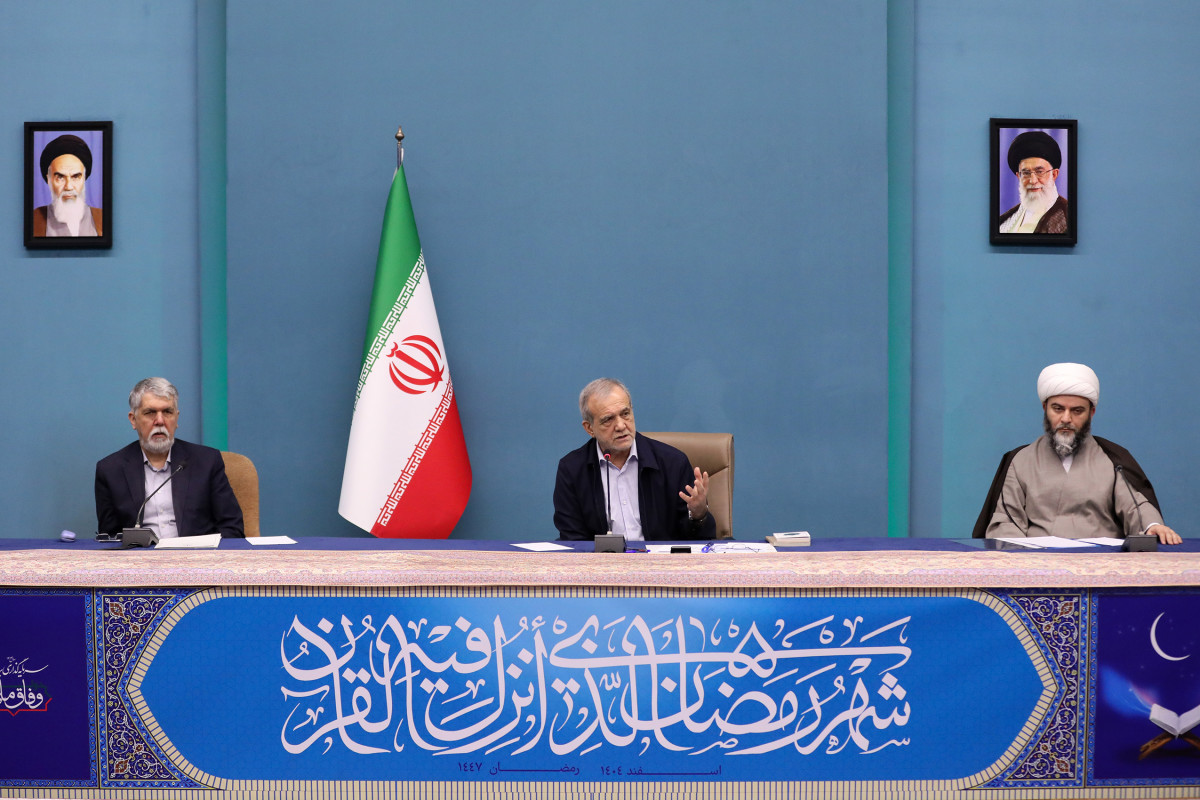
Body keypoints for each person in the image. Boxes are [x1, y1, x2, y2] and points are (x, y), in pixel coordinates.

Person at [978, 363, 1180, 544]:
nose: (1066, 418)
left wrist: (1152, 525)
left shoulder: (1112, 460)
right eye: (1058, 409)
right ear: (1044, 408)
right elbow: (1006, 520)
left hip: (1102, 565)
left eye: (1077, 411)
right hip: (1039, 565)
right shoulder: (1021, 460)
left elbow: (1134, 505)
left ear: (1091, 413)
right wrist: (1023, 559)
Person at [554, 378, 715, 541]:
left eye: (625, 414)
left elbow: (700, 540)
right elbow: (572, 539)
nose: (621, 426)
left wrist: (699, 514)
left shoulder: (672, 463)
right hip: (603, 564)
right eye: (608, 419)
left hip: (660, 563)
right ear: (589, 428)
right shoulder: (572, 470)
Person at [95, 377, 244, 539]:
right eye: (150, 412)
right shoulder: (110, 470)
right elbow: (109, 538)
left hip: (197, 559)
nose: (160, 421)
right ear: (133, 419)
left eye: (167, 412)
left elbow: (232, 528)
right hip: (140, 560)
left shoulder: (207, 461)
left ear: (176, 418)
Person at [997, 130, 1068, 235]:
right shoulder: (1004, 220)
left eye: (1039, 172)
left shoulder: (1068, 216)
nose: (1033, 180)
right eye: (1026, 173)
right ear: (1018, 176)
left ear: (1054, 174)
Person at [32, 134, 103, 237]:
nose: (68, 187)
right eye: (60, 177)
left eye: (75, 177)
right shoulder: (33, 219)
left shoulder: (103, 218)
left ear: (84, 178)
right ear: (48, 179)